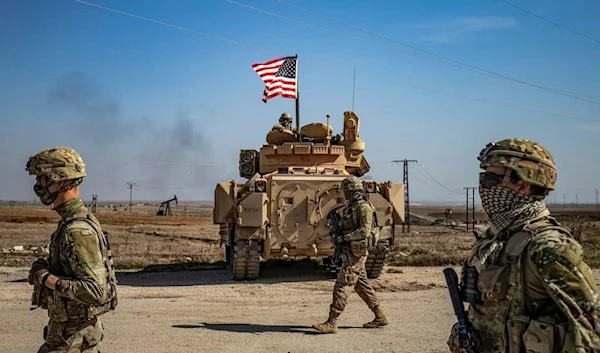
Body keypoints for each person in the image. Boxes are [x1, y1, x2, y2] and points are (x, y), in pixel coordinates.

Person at [447, 138, 600, 353]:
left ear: (522, 185)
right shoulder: (498, 238)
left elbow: (591, 325)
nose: (483, 187)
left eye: (491, 179)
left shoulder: (547, 246)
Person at [25, 146, 118, 353]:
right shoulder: (72, 222)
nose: (38, 185)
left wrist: (44, 278)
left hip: (71, 338)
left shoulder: (77, 229)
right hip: (70, 334)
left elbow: (94, 291)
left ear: (63, 180)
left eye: (43, 178)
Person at [312, 175, 387, 334]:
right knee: (362, 285)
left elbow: (363, 231)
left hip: (356, 251)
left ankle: (332, 321)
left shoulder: (363, 207)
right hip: (350, 250)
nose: (344, 193)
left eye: (346, 190)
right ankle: (380, 316)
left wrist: (344, 237)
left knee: (343, 283)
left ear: (352, 190)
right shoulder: (350, 207)